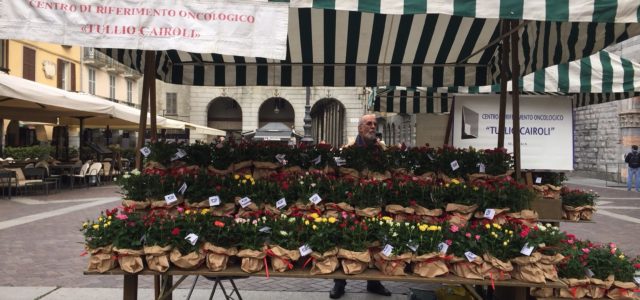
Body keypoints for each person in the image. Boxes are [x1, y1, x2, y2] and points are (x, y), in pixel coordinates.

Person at [330, 114, 391, 299]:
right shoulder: (348, 149)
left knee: (373, 241)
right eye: (368, 124)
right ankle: (339, 283)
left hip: (372, 203)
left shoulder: (381, 149)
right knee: (346, 239)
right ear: (360, 128)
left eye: (374, 124)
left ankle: (374, 282)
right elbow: (338, 174)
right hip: (351, 204)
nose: (373, 127)